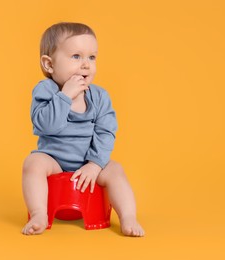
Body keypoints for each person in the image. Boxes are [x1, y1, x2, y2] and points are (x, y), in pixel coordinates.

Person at [22, 22, 144, 237]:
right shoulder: (46, 90)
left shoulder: (99, 96)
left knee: (115, 170)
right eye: (76, 57)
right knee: (33, 163)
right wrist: (64, 97)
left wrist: (96, 165)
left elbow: (105, 132)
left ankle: (128, 217)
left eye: (92, 57)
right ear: (49, 65)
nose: (86, 65)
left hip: (89, 162)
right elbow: (45, 125)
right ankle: (39, 213)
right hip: (55, 162)